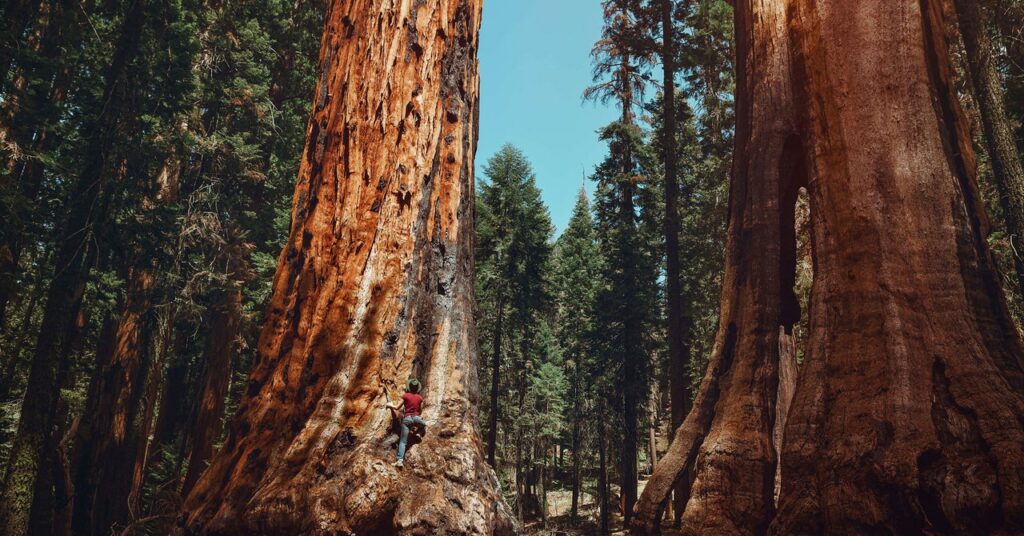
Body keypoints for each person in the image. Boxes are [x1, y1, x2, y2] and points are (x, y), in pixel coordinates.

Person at [385, 378, 426, 467]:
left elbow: (397, 407)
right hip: (416, 418)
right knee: (424, 424)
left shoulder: (405, 396)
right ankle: (419, 433)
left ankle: (399, 461)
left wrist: (390, 405)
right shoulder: (419, 398)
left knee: (403, 441)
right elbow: (420, 411)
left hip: (407, 419)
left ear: (409, 387)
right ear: (417, 388)